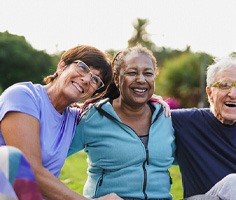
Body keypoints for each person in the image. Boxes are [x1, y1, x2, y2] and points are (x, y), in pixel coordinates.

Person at [0, 44, 123, 200]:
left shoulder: (75, 118)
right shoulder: (23, 96)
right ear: (62, 66)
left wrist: (152, 101)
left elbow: (121, 106)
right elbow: (32, 171)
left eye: (95, 79)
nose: (86, 79)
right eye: (82, 67)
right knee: (8, 156)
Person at [68, 45, 175, 200]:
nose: (141, 79)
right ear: (117, 78)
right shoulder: (93, 117)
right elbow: (48, 160)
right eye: (132, 73)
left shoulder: (165, 116)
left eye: (148, 73)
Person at [171, 56, 236, 200]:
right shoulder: (185, 121)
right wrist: (155, 102)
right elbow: (136, 109)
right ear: (210, 93)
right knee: (233, 184)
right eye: (224, 85)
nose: (233, 94)